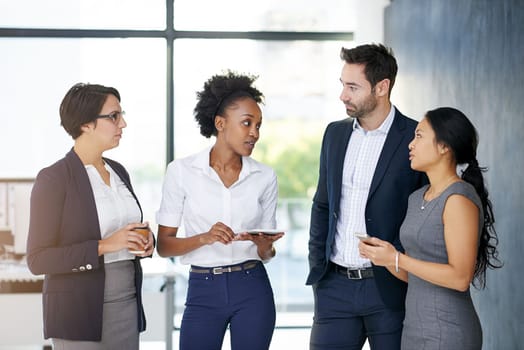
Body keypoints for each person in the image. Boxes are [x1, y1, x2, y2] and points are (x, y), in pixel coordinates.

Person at [306, 43, 427, 350]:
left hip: (388, 288)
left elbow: (427, 214)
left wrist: (404, 266)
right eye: (342, 85)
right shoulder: (334, 133)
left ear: (382, 87)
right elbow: (322, 204)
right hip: (333, 287)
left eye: (353, 87)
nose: (343, 95)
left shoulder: (415, 138)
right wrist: (318, 268)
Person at [156, 70, 284, 350]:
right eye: (247, 123)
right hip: (203, 290)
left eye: (258, 125)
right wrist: (205, 237)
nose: (255, 133)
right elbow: (164, 246)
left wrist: (265, 247)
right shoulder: (181, 172)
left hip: (252, 287)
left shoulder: (265, 176)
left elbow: (267, 253)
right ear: (220, 123)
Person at [359, 107, 502, 349]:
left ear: (445, 146)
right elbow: (416, 275)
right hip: (413, 330)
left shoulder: (458, 198)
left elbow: (460, 277)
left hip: (448, 331)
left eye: (419, 136)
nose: (410, 145)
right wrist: (384, 258)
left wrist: (398, 258)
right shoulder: (416, 198)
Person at [26, 83, 154, 349]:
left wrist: (144, 241)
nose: (123, 123)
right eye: (114, 116)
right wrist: (107, 245)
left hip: (127, 302)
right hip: (77, 309)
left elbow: (124, 232)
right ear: (86, 124)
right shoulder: (54, 178)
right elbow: (38, 259)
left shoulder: (119, 172)